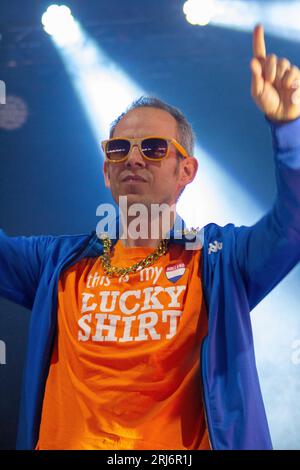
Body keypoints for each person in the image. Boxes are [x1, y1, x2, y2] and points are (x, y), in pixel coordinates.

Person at [0, 24, 300, 450]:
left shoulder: (219, 260)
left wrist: (289, 131)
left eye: (155, 148)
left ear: (186, 171)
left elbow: (293, 223)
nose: (134, 158)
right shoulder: (58, 262)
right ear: (106, 171)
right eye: (119, 149)